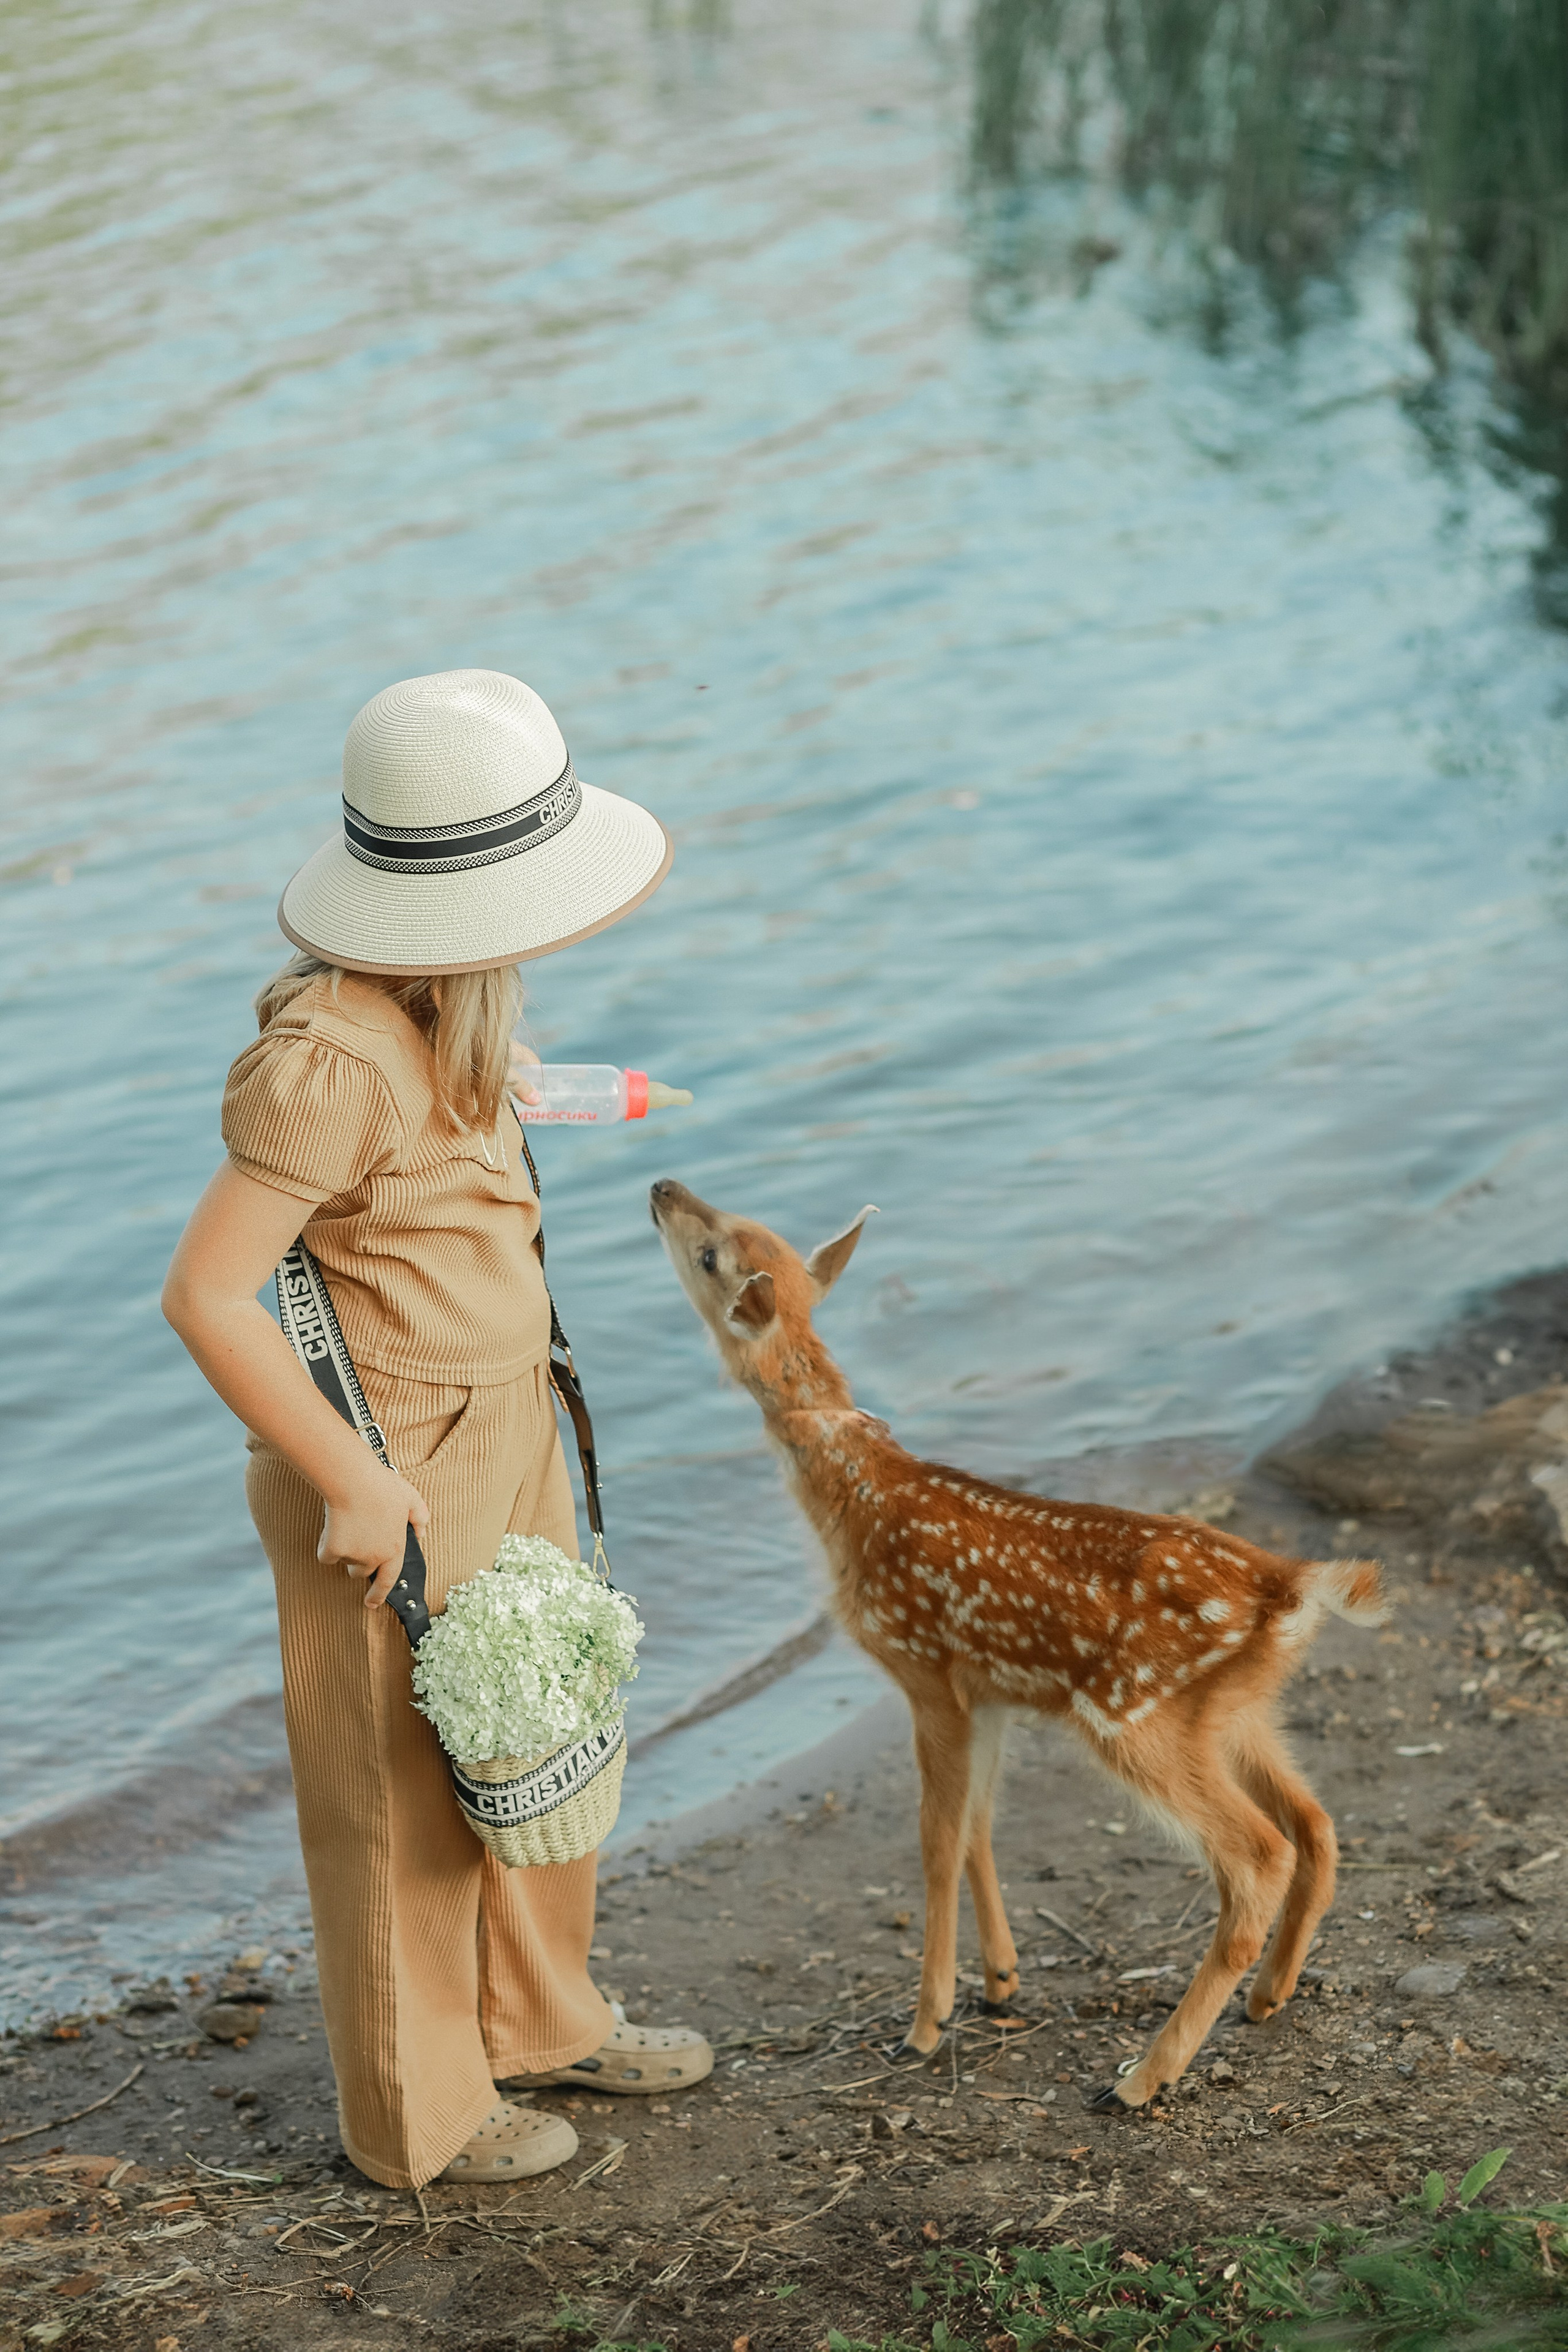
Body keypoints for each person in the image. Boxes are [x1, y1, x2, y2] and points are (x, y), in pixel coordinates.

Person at [162, 669, 711, 2189]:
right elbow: (207, 1293)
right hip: (388, 1462)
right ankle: (419, 2110)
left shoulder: (449, 1005)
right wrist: (347, 1477)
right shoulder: (327, 1060)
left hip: (508, 1423)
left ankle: (536, 2016)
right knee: (396, 1791)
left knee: (535, 1712)